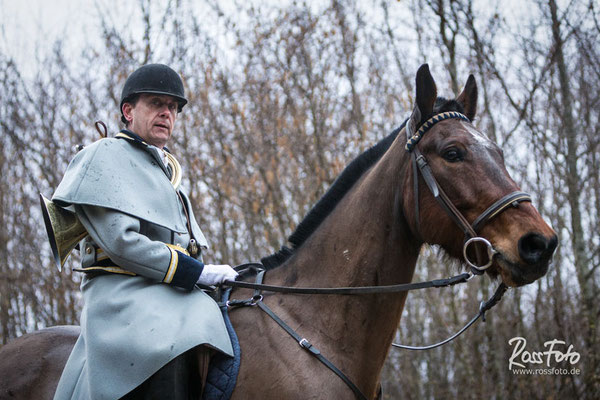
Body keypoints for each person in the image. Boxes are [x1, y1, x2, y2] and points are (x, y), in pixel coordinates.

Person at [52, 64, 238, 399]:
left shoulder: (166, 169)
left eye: (173, 108)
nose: (167, 113)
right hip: (124, 294)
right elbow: (122, 244)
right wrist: (197, 272)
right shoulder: (104, 156)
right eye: (156, 103)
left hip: (166, 291)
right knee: (174, 340)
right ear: (128, 110)